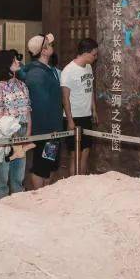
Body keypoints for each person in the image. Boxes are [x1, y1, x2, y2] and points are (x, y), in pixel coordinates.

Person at [19, 33, 63, 190]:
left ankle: (46, 193)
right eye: (49, 45)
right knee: (41, 166)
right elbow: (40, 105)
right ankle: (39, 195)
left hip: (52, 129)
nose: (52, 46)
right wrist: (51, 130)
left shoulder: (46, 69)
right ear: (43, 51)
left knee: (48, 164)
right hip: (45, 130)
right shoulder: (37, 74)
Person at [0, 50, 31, 198]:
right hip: (6, 133)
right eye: (14, 60)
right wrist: (12, 133)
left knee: (18, 177)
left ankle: (18, 206)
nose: (18, 62)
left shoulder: (22, 85)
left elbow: (28, 110)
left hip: (22, 129)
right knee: (2, 178)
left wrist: (28, 132)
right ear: (5, 64)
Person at [61, 38, 99, 176]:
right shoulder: (69, 70)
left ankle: (82, 182)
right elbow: (65, 98)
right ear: (85, 53)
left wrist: (94, 110)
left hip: (86, 115)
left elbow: (90, 90)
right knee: (75, 155)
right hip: (74, 117)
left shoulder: (88, 67)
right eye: (94, 54)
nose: (95, 57)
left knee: (86, 151)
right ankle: (74, 183)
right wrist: (70, 120)